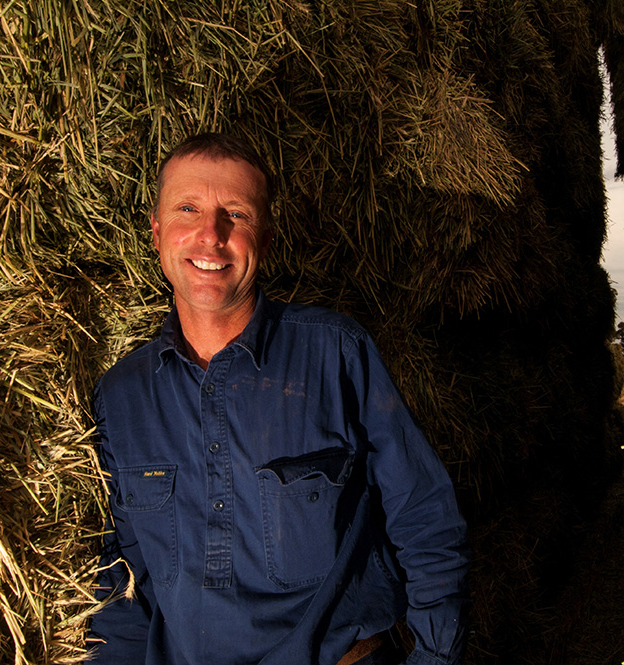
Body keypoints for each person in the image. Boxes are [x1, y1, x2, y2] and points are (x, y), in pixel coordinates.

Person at [87, 132, 469, 665]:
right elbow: (115, 575)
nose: (210, 235)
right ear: (156, 232)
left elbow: (424, 515)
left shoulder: (337, 354)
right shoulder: (121, 396)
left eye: (235, 215)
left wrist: (434, 657)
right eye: (187, 209)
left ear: (264, 240)